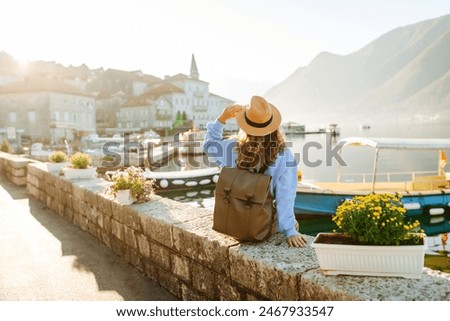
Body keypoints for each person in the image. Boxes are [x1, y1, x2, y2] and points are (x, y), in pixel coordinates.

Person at [203, 95, 307, 247]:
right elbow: (285, 196)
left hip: (232, 223)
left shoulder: (232, 147)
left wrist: (221, 119)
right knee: (294, 223)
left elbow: (208, 146)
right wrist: (290, 230)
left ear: (245, 126)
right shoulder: (284, 155)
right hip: (261, 228)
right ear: (273, 126)